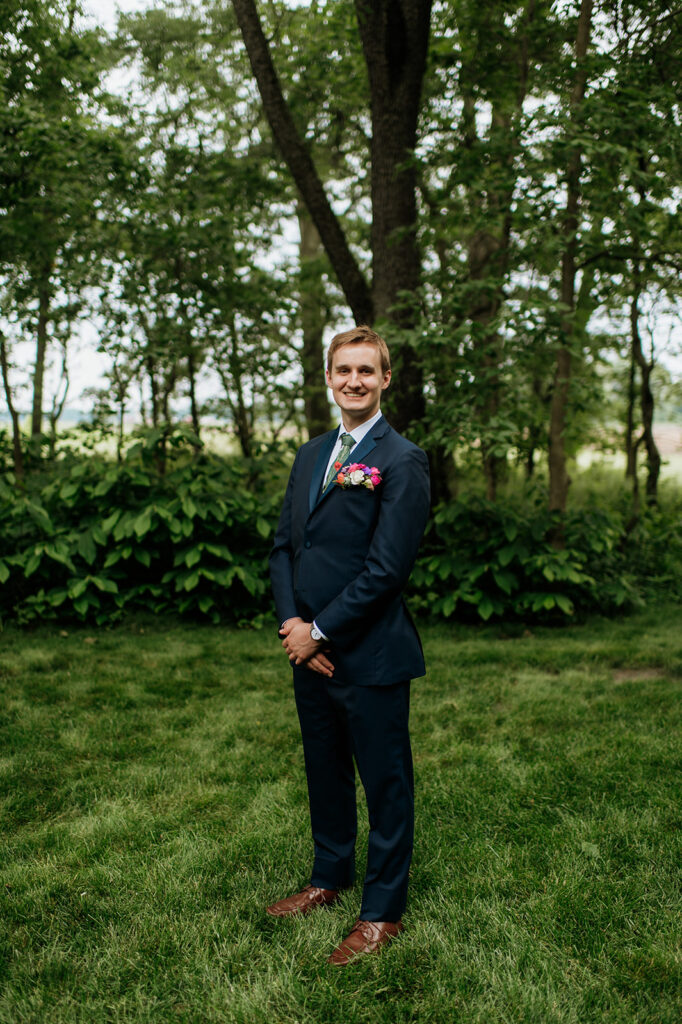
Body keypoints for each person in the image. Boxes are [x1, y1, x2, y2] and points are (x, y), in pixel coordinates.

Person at [268, 324, 430, 966]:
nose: (354, 382)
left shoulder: (402, 459)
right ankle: (326, 878)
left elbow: (388, 570)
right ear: (329, 378)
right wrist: (293, 629)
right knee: (324, 770)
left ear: (386, 379)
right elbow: (285, 546)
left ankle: (382, 912)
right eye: (344, 371)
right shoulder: (311, 455)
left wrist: (321, 630)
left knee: (385, 782)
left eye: (367, 371)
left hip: (370, 654)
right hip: (309, 651)